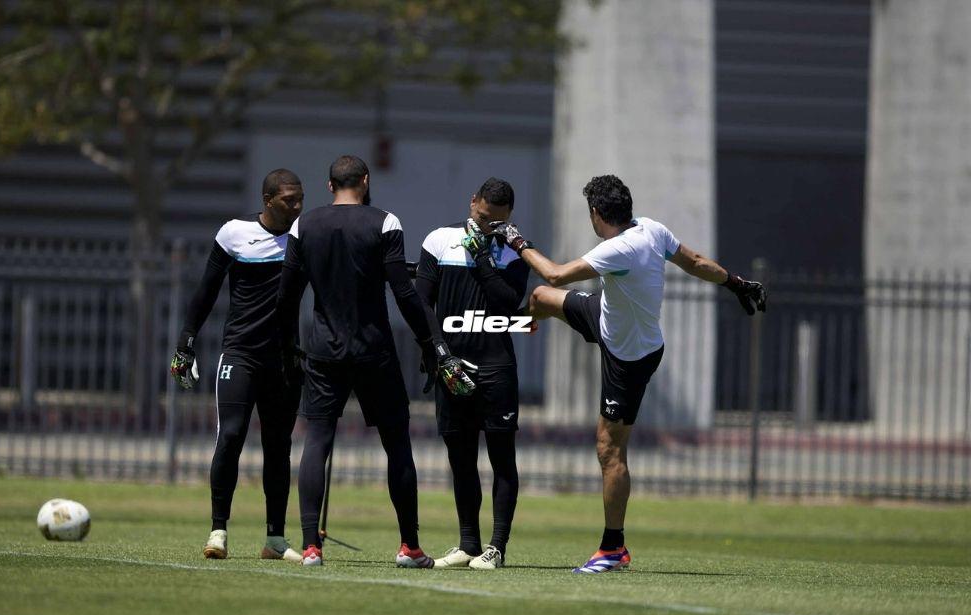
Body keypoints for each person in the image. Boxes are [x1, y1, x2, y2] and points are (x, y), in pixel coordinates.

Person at [495, 175, 767, 574]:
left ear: (596, 213)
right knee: (539, 300)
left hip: (630, 357)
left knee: (609, 449)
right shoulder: (651, 228)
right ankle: (505, 332)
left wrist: (517, 242)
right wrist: (737, 283)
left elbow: (554, 273)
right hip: (606, 318)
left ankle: (613, 548)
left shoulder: (619, 248)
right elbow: (694, 262)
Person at [276, 155, 474, 568]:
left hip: (323, 352)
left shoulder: (303, 225)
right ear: (364, 182)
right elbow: (405, 294)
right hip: (374, 351)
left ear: (330, 186)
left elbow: (287, 298)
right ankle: (409, 547)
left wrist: (290, 347)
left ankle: (311, 546)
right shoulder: (385, 222)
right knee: (397, 445)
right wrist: (432, 343)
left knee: (317, 442)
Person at [170, 168, 306, 562]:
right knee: (230, 437)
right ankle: (218, 531)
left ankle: (275, 539)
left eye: (300, 199)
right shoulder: (233, 233)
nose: (297, 206)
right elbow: (205, 291)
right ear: (267, 200)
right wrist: (185, 345)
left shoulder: (306, 237)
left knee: (278, 447)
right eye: (289, 200)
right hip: (240, 355)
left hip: (283, 359)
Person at [414, 178, 529, 570]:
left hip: (496, 367)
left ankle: (496, 548)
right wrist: (440, 354)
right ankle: (468, 543)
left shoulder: (514, 252)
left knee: (502, 458)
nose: (487, 226)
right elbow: (421, 305)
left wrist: (484, 260)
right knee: (460, 459)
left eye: (496, 222)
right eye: (483, 217)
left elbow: (509, 306)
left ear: (508, 217)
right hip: (452, 367)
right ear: (472, 202)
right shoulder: (439, 240)